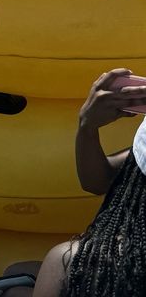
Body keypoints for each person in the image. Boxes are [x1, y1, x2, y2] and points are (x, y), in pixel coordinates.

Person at [30, 68, 146, 296]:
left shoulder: (70, 264)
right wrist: (88, 129)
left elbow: (96, 182)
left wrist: (87, 124)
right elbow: (99, 180)